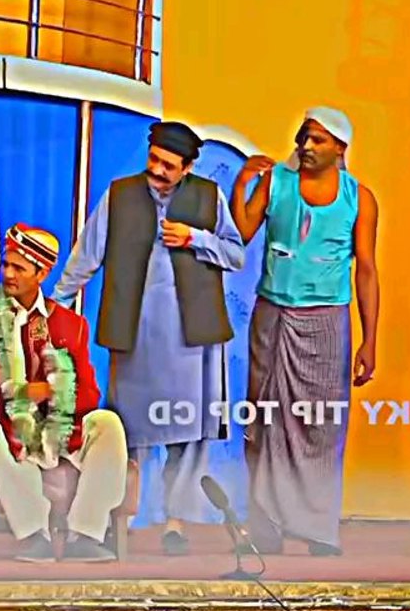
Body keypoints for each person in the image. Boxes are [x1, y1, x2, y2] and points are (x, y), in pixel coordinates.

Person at [52, 121, 245, 556]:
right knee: (130, 431)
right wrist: (55, 305)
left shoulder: (209, 197)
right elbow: (87, 256)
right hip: (136, 334)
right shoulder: (120, 195)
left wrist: (196, 238)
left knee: (187, 433)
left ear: (188, 168)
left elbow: (235, 254)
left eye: (168, 166)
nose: (157, 170)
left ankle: (176, 522)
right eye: (154, 160)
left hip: (193, 336)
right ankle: (124, 519)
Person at [229, 106, 379, 556]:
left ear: (340, 148)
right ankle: (265, 527)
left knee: (322, 425)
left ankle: (316, 528)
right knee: (264, 418)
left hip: (327, 320)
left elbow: (366, 270)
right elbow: (242, 233)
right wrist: (242, 185)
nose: (306, 146)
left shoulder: (359, 199)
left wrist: (370, 340)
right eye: (303, 138)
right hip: (273, 315)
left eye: (318, 140)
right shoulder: (276, 183)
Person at [0, 224, 128, 563]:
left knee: (108, 423)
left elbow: (88, 393)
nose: (7, 274)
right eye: (6, 264)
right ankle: (33, 535)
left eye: (19, 268)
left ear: (42, 273)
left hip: (53, 426)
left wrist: (51, 392)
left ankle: (85, 535)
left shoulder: (69, 325)